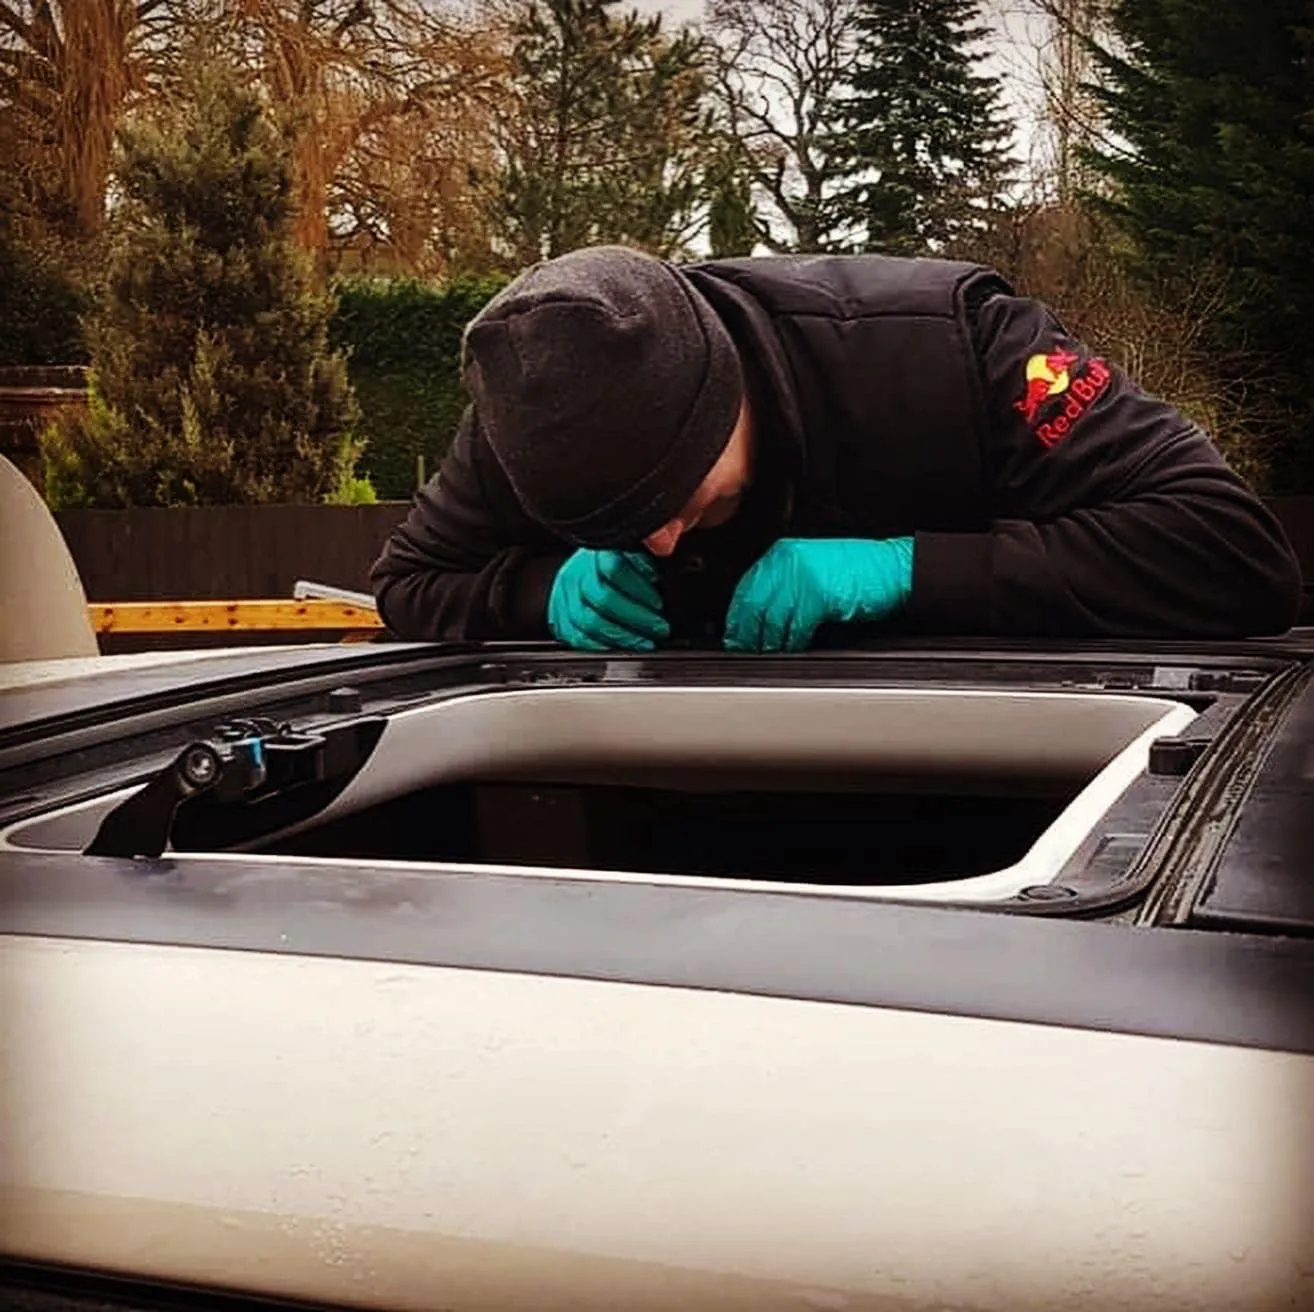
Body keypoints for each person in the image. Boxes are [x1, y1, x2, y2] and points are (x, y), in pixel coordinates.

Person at [370, 245, 1301, 652]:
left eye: (671, 499)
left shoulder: (954, 348)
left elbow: (1231, 552)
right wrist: (543, 591)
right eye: (615, 527)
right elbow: (410, 583)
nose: (658, 545)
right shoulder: (531, 413)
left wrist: (907, 570)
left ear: (722, 392)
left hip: (986, 776)